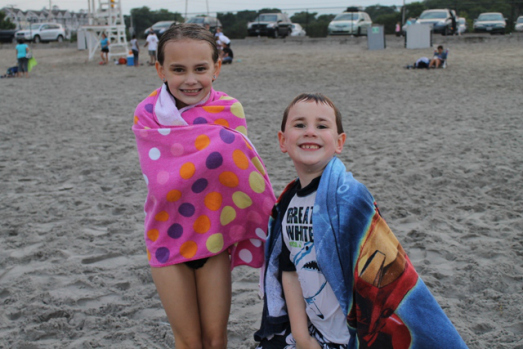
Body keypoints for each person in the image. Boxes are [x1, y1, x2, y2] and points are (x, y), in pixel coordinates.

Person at [254, 93, 468, 348]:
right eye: (300, 125)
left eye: (322, 126)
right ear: (283, 141)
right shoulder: (287, 203)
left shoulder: (350, 199)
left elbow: (385, 271)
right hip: (316, 334)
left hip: (353, 336)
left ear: (339, 142)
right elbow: (288, 270)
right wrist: (302, 338)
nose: (310, 132)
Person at [132, 23, 276, 348]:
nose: (191, 79)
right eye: (178, 70)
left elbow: (242, 175)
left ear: (217, 67)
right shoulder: (148, 115)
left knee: (215, 338)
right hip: (166, 235)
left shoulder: (229, 111)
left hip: (213, 238)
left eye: (200, 69)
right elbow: (160, 179)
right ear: (160, 69)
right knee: (188, 340)